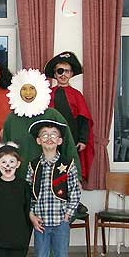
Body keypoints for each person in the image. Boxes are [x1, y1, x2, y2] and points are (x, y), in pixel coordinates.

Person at [25, 120, 81, 257]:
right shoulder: (33, 165)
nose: (49, 138)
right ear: (39, 140)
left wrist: (69, 213)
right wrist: (31, 215)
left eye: (53, 134)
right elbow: (29, 193)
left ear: (59, 140)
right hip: (40, 223)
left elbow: (75, 190)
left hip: (60, 222)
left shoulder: (67, 164)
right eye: (45, 134)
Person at [2, 68, 82, 180]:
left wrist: (76, 177)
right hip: (18, 181)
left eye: (32, 88)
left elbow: (68, 147)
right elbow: (5, 152)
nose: (28, 93)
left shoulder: (53, 115)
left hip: (50, 180)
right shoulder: (11, 119)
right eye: (24, 89)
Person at [44, 51, 94, 181]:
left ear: (71, 74)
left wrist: (83, 140)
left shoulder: (77, 95)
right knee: (52, 171)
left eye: (67, 71)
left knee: (71, 171)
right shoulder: (47, 94)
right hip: (51, 140)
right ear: (55, 74)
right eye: (60, 71)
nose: (63, 74)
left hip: (73, 139)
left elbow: (84, 119)